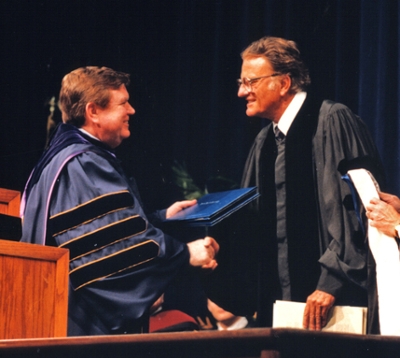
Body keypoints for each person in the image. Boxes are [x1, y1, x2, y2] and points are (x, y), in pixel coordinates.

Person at [20, 66, 219, 336]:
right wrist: (185, 253)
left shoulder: (63, 157)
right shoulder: (83, 162)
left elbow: (101, 229)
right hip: (81, 325)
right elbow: (109, 251)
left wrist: (160, 218)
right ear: (93, 112)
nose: (132, 110)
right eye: (123, 103)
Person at [205, 36, 384, 333]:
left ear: (283, 83)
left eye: (250, 82)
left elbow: (358, 210)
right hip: (280, 308)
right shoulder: (264, 143)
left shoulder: (331, 121)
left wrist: (332, 282)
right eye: (241, 82)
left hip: (333, 303)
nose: (241, 92)